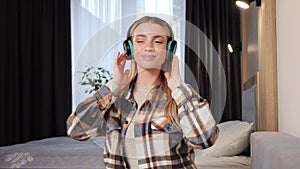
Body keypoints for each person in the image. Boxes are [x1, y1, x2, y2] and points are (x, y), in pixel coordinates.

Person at [67, 16, 219, 168]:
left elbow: (204, 139)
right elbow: (76, 130)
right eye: (140, 41)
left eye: (158, 41)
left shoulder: (181, 96)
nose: (149, 47)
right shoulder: (115, 97)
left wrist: (177, 85)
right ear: (130, 48)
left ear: (169, 49)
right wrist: (113, 87)